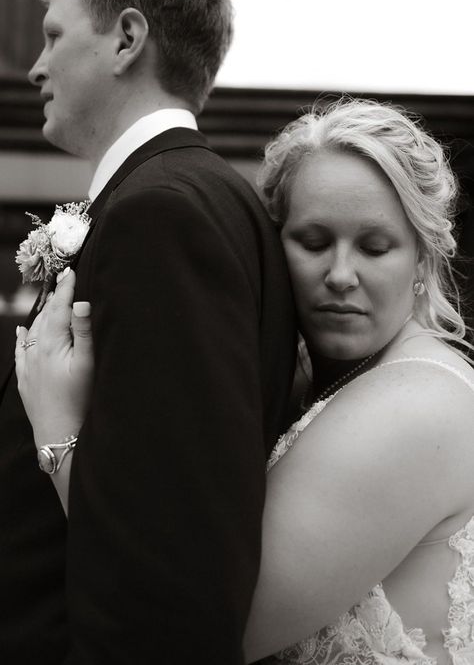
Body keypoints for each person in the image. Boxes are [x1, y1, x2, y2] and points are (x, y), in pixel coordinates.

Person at [17, 98, 474, 665]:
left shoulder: (417, 405)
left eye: (375, 247)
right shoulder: (314, 377)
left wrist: (58, 433)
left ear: (423, 262)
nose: (339, 275)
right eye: (312, 242)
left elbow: (191, 627)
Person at [1, 0, 296, 663]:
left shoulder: (160, 215)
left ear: (127, 40)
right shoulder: (184, 195)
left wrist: (54, 436)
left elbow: (170, 556)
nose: (35, 68)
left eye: (52, 35)